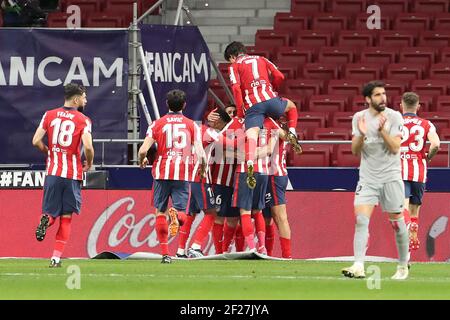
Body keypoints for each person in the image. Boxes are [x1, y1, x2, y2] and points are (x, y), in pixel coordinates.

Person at [342, 80, 409, 280]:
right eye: (378, 95)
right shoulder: (359, 118)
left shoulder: (394, 116)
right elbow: (355, 150)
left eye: (384, 94)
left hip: (391, 177)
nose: (383, 98)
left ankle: (403, 266)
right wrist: (362, 134)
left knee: (397, 224)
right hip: (368, 178)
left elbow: (395, 147)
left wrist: (381, 131)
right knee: (361, 220)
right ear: (368, 99)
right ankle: (359, 265)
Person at [138, 89, 206, 264]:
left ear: (167, 104)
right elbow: (200, 151)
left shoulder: (157, 124)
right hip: (182, 172)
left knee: (160, 212)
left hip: (162, 172)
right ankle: (176, 214)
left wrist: (142, 159)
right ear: (184, 105)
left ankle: (165, 254)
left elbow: (143, 149)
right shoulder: (192, 125)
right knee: (182, 213)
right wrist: (203, 168)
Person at [32, 83, 94, 268]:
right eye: (83, 97)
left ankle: (46, 220)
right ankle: (55, 258)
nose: (85, 100)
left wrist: (48, 152)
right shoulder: (83, 119)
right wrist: (89, 162)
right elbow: (88, 147)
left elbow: (36, 140)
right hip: (71, 173)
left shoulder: (49, 114)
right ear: (75, 99)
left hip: (52, 172)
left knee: (50, 213)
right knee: (66, 217)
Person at [224, 41, 301, 189]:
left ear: (232, 57)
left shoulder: (234, 66)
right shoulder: (261, 58)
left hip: (253, 105)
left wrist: (240, 111)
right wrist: (274, 91)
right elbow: (279, 76)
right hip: (271, 100)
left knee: (252, 134)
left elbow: (236, 89)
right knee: (291, 106)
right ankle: (292, 132)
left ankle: (251, 163)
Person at [400, 92, 440, 252]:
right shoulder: (426, 124)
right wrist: (428, 157)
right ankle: (414, 223)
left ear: (401, 106)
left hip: (399, 171)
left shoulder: (395, 123)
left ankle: (409, 224)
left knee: (401, 205)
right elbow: (436, 144)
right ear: (418, 106)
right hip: (419, 171)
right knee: (414, 207)